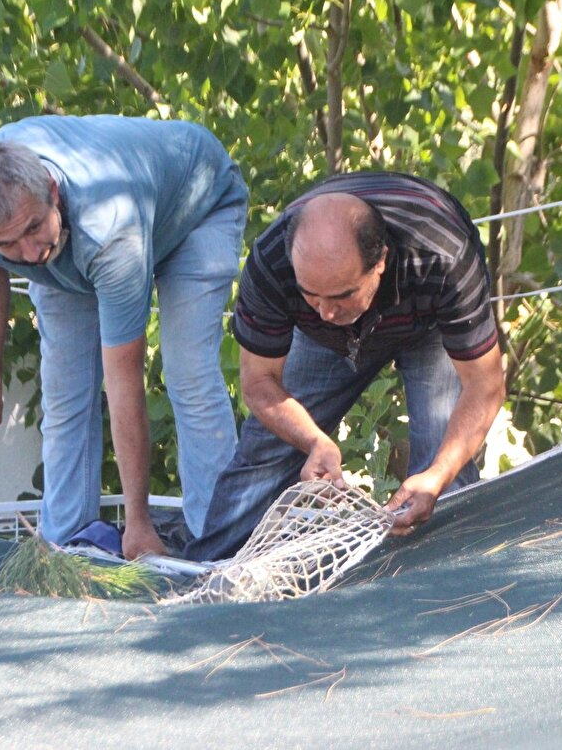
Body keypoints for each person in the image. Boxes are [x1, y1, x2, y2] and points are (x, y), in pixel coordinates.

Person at [0, 115, 247, 559]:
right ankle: (65, 549)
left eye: (32, 227)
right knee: (64, 393)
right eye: (7, 244)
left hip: (197, 205)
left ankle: (222, 552)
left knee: (189, 376)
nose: (30, 254)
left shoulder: (108, 230)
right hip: (84, 237)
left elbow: (124, 384)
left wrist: (138, 522)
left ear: (51, 190)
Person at [183, 171, 505, 562]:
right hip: (319, 341)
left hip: (429, 323)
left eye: (341, 295)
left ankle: (444, 582)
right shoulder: (272, 261)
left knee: (443, 471)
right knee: (267, 450)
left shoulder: (443, 256)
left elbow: (485, 385)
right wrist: (314, 441)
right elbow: (258, 383)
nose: (327, 311)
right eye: (310, 294)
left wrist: (437, 476)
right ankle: (210, 571)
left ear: (380, 261)